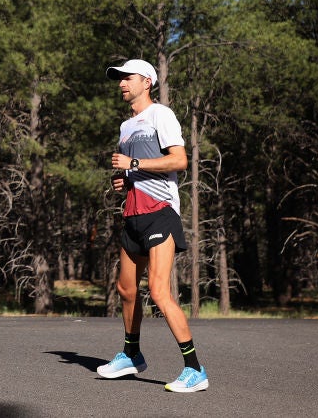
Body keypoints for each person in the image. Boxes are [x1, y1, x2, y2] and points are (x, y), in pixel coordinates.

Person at [96, 58, 209, 393]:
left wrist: (134, 163)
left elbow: (179, 160)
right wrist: (126, 181)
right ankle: (132, 355)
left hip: (160, 213)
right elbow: (139, 172)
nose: (121, 84)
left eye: (126, 78)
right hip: (133, 213)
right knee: (126, 290)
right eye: (118, 79)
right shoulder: (125, 126)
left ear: (146, 81)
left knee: (159, 292)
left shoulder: (161, 115)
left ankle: (195, 369)